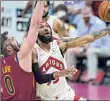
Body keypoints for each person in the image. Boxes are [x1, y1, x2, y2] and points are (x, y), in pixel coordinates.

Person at [1, 1, 77, 100]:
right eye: (12, 39)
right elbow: (34, 24)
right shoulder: (21, 55)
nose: (15, 39)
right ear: (9, 48)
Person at [31, 21, 110, 100]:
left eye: (47, 26)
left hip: (66, 94)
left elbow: (88, 38)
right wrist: (60, 73)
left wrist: (108, 29)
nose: (46, 29)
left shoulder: (60, 44)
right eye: (41, 27)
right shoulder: (34, 51)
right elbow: (39, 78)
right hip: (47, 98)